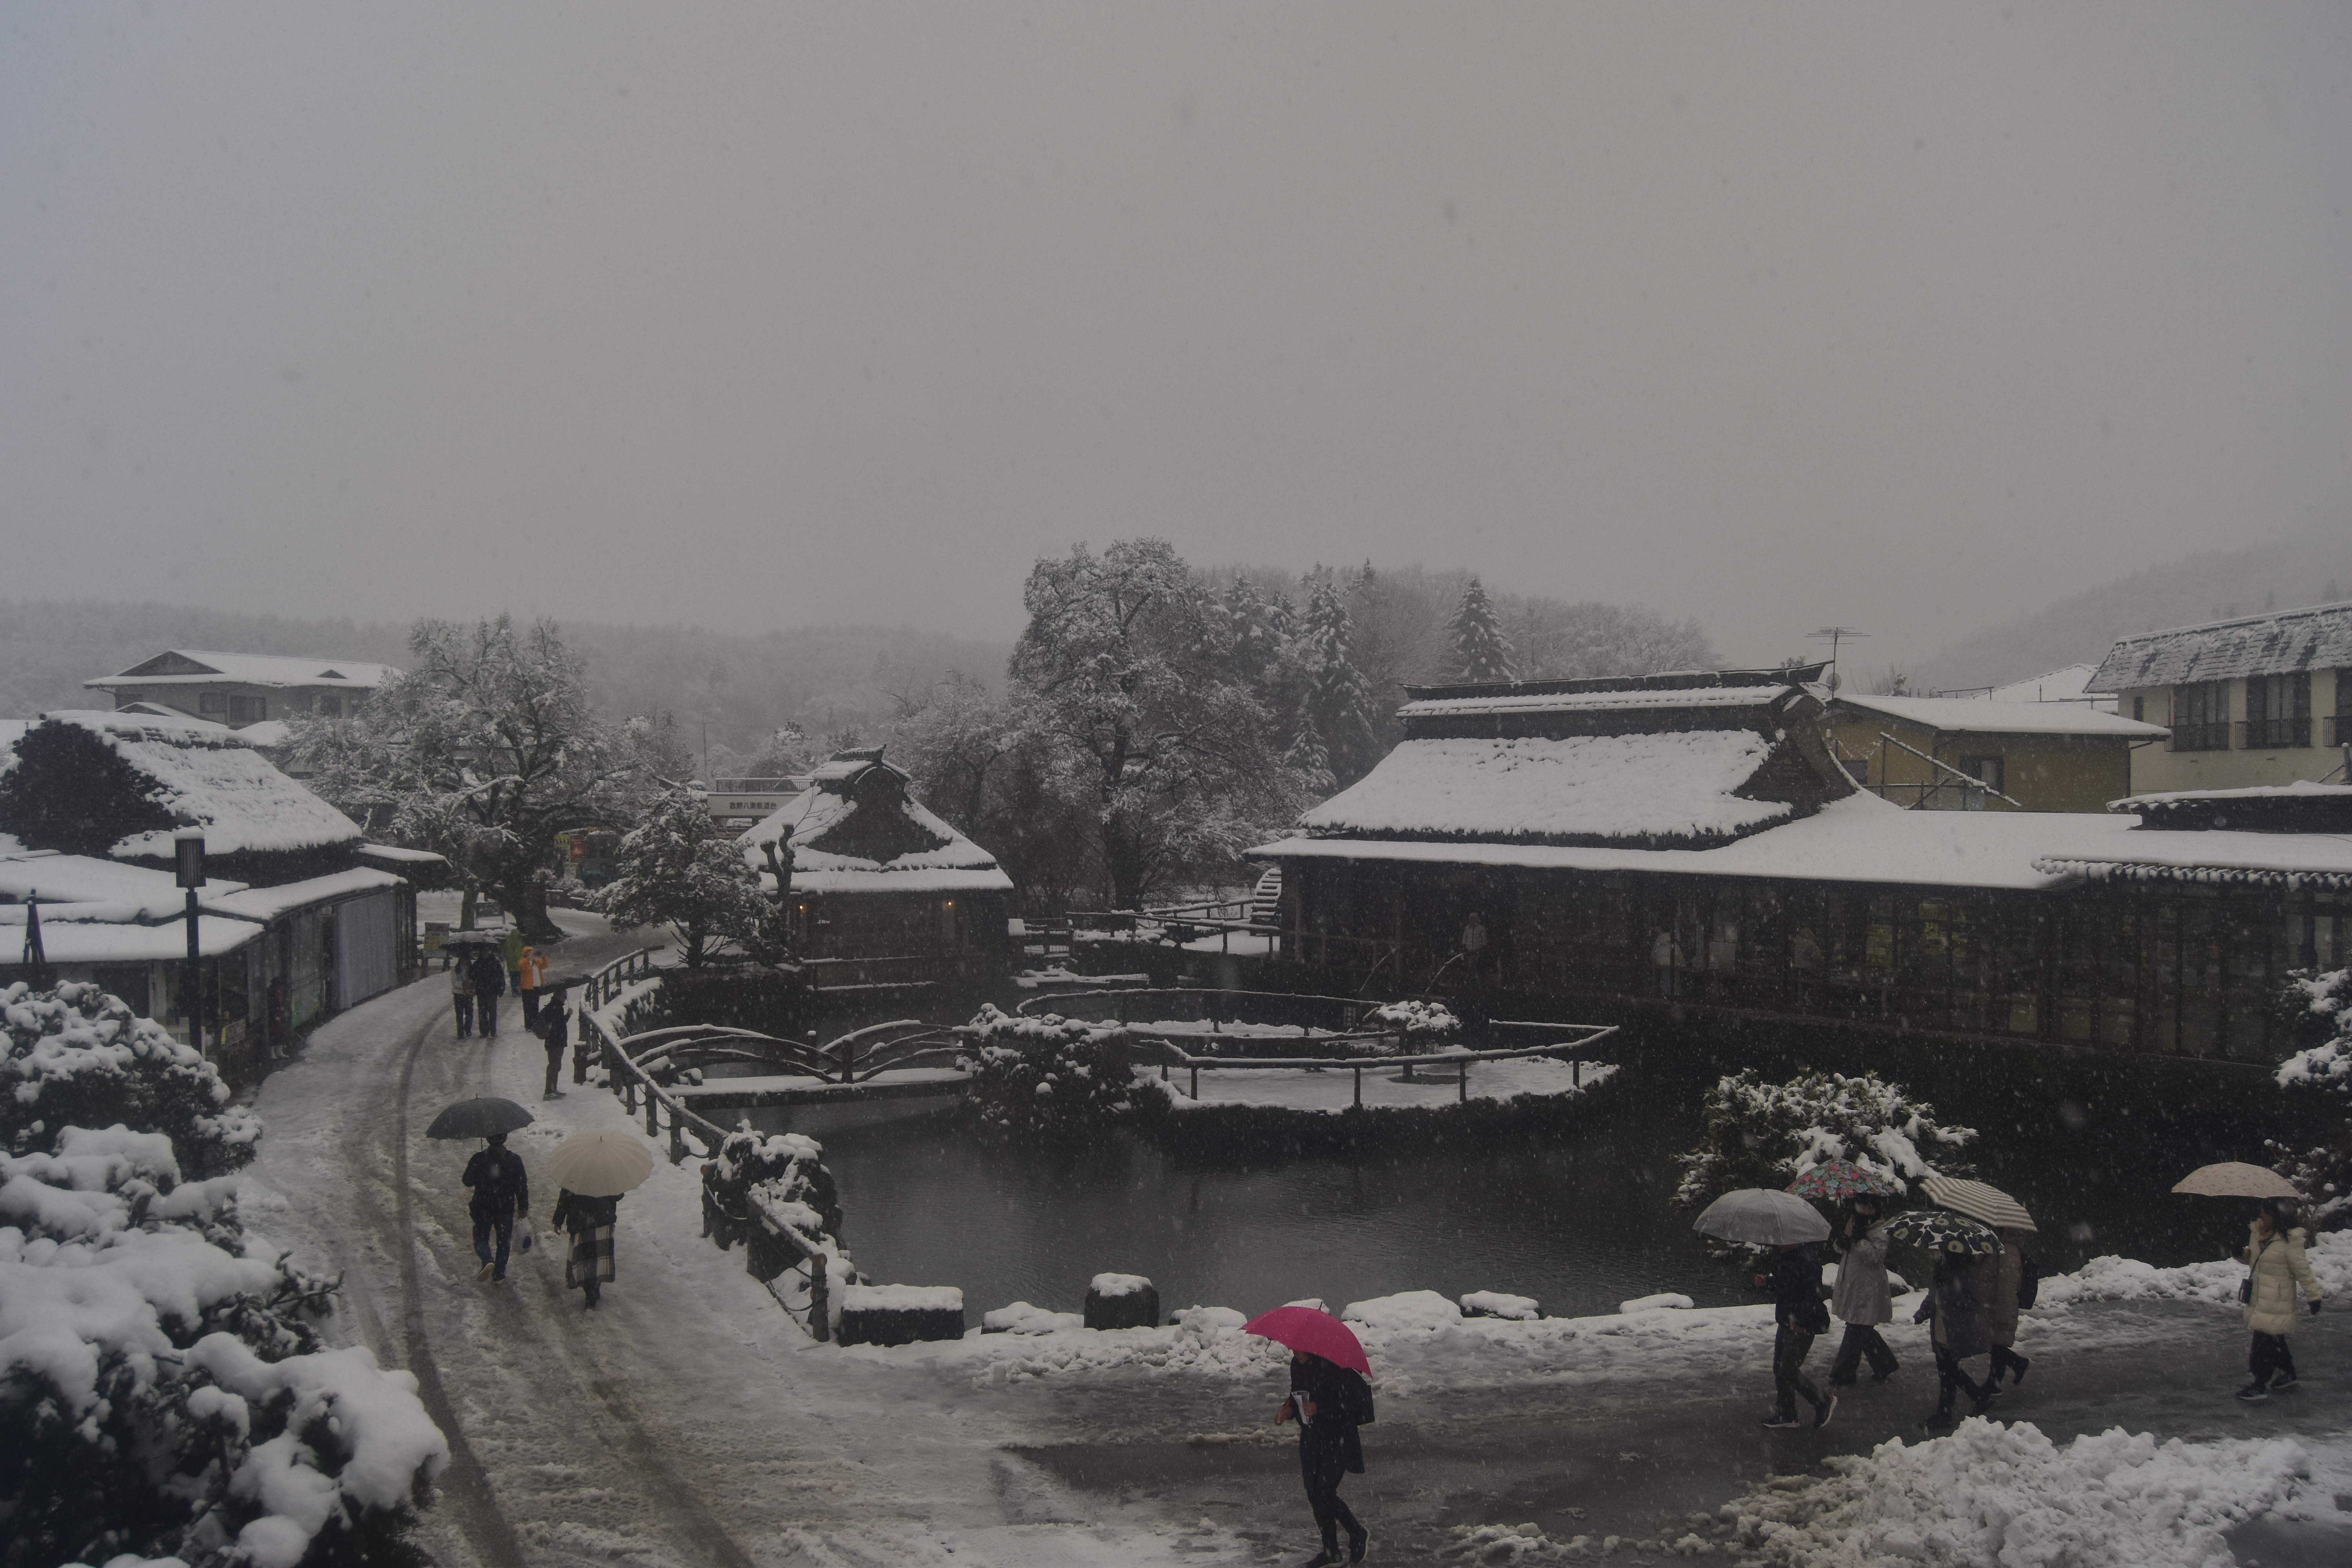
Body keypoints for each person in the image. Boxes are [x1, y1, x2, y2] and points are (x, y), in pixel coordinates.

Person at [1273, 1350, 1373, 1566]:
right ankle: (1331, 1552)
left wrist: (1321, 1408)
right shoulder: (1296, 1365)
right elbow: (1298, 1395)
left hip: (1338, 1438)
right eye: (1293, 1348)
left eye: (1300, 1349)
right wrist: (1290, 1411)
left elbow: (1350, 1405)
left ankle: (1357, 1533)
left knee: (1325, 1493)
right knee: (1314, 1494)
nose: (1296, 1353)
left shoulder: (1333, 1367)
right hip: (1312, 1439)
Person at [2237, 1195, 2325, 1401]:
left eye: (2265, 1212)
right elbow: (2254, 1260)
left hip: (2277, 1300)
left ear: (2276, 1216)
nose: (2261, 1215)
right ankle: (2289, 1373)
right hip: (2260, 1298)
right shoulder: (2258, 1233)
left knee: (2263, 1342)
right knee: (2275, 1339)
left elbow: (2303, 1271)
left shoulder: (2290, 1241)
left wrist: (2314, 1297)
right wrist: (2239, 1254)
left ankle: (2260, 1384)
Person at [1757, 1240, 1836, 1429]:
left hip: (1802, 1323)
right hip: (1786, 1319)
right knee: (1779, 1368)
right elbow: (1785, 1285)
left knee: (1788, 1369)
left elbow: (1813, 1295)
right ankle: (1787, 1414)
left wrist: (1801, 1321)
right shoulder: (1783, 1257)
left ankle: (1823, 1401)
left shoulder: (1807, 1261)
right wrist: (1767, 1282)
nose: (1778, 1242)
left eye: (1782, 1240)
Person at [1828, 1197, 1900, 1386]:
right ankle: (1885, 1364)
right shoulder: (1852, 1222)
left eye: (1871, 1207)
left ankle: (1844, 1373)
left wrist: (1860, 1241)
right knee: (1862, 1328)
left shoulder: (1881, 1229)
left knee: (1857, 1326)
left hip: (1868, 1286)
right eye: (1863, 1206)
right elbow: (1842, 1250)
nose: (1867, 1210)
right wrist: (1841, 1242)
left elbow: (1876, 1257)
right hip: (1851, 1281)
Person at [1916, 1252, 1993, 1428]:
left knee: (1948, 1371)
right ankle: (1976, 1399)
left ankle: (1947, 1412)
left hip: (1956, 1329)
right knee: (1947, 1371)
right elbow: (1933, 1295)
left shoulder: (1966, 1271)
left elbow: (1970, 1301)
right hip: (1942, 1328)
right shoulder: (1942, 1268)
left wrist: (1947, 1290)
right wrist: (1923, 1312)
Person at [461, 1132, 530, 1283]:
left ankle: (487, 1260)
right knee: (504, 1241)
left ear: (487, 1139)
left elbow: (467, 1181)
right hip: (505, 1208)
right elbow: (521, 1185)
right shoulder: (514, 1160)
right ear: (505, 1139)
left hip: (483, 1206)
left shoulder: (479, 1159)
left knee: (480, 1238)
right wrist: (523, 1206)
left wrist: (479, 1167)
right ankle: (499, 1274)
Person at [1981, 1227, 2033, 1394]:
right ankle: (1997, 1380)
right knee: (1996, 1344)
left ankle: (2001, 1377)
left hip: (2000, 1307)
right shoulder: (2002, 1247)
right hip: (1995, 1305)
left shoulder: (2008, 1251)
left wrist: (2002, 1314)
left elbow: (2007, 1287)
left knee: (1995, 1344)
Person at [551, 1185, 621, 1309]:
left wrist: (558, 1220)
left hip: (582, 1223)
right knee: (599, 1259)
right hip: (604, 1221)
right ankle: (596, 1287)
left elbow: (565, 1199)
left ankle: (590, 1292)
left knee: (585, 1261)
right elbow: (619, 1196)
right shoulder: (608, 1172)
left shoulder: (575, 1175)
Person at [539, 985, 572, 1101]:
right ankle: (549, 1091)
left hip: (555, 1041)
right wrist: (568, 1015)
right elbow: (559, 1025)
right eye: (564, 996)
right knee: (554, 1066)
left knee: (556, 1066)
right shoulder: (556, 1008)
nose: (565, 998)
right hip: (555, 1042)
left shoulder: (554, 1007)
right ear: (560, 996)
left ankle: (553, 1089)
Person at [469, 946, 507, 1038]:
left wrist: (501, 988)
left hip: (492, 990)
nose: (486, 953)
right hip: (481, 990)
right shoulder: (478, 964)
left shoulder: (495, 963)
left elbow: (501, 976)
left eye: (487, 951)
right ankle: (484, 1031)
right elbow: (473, 976)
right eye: (484, 951)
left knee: (492, 1011)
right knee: (483, 1012)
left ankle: (493, 1030)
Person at [518, 944, 550, 1030]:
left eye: (532, 952)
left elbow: (545, 966)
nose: (531, 954)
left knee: (535, 1006)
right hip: (527, 988)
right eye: (529, 952)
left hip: (537, 986)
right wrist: (528, 959)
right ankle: (529, 1026)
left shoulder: (536, 962)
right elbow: (520, 966)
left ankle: (535, 1024)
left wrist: (544, 957)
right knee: (528, 1007)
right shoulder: (524, 962)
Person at [1651, 930, 1682, 998]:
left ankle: (1665, 997)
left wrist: (1656, 964)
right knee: (1675, 986)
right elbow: (1680, 956)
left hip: (1661, 969)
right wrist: (1683, 965)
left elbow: (1653, 957)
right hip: (1673, 969)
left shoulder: (1657, 944)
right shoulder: (1673, 943)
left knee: (1664, 986)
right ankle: (1676, 997)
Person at [450, 954, 476, 1038]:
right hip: (458, 994)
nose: (464, 961)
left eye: (465, 959)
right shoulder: (455, 969)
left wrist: (470, 985)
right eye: (462, 959)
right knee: (459, 1014)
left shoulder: (472, 969)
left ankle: (468, 1029)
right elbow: (454, 983)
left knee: (469, 1013)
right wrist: (464, 985)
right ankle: (460, 1032)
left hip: (468, 994)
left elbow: (474, 980)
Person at [501, 925, 526, 1005]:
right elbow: (525, 951)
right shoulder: (521, 942)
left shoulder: (508, 943)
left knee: (513, 977)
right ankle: (518, 988)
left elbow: (505, 952)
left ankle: (514, 988)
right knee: (520, 976)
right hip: (520, 964)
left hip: (511, 964)